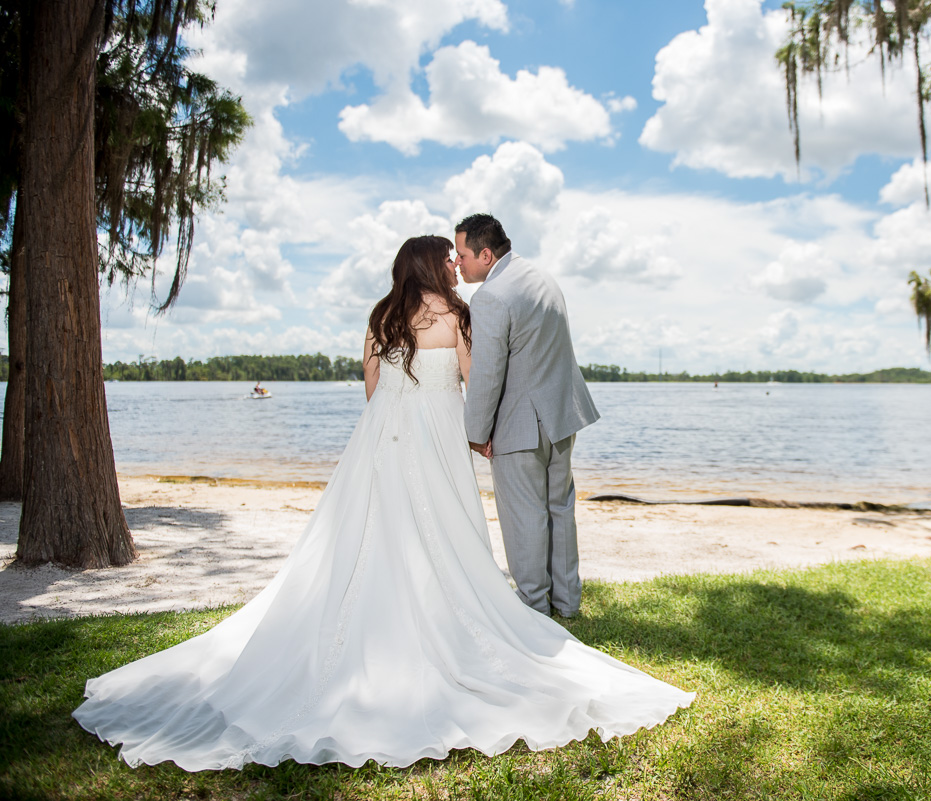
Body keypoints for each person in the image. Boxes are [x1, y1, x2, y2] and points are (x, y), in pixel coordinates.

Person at [72, 235, 693, 771]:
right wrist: (477, 433)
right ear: (433, 267)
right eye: (447, 261)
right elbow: (477, 385)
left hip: (383, 440)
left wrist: (400, 418)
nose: (455, 267)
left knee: (372, 530)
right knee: (445, 532)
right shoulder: (458, 316)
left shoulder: (380, 316)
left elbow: (372, 390)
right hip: (442, 439)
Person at [457, 214, 599, 619]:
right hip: (561, 415)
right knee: (559, 510)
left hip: (521, 423)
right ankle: (567, 603)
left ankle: (534, 606)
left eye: (463, 254)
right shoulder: (542, 278)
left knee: (525, 519)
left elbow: (487, 373)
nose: (458, 263)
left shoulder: (489, 296)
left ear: (486, 254)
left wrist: (475, 433)